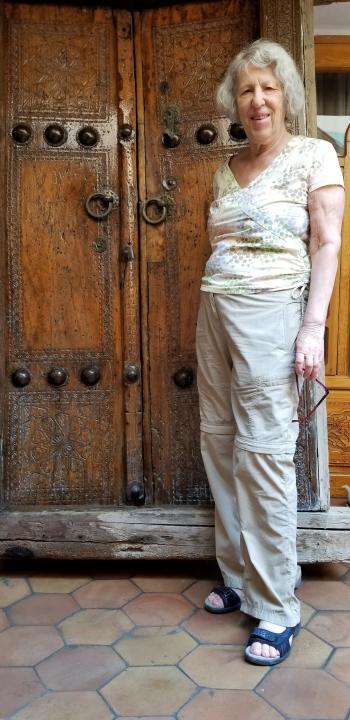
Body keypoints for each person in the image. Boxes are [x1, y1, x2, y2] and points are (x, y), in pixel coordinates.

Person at [196, 38, 344, 666]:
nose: (257, 101)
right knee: (220, 440)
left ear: (287, 95)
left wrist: (313, 328)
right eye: (247, 90)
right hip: (213, 311)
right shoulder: (226, 167)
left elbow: (326, 244)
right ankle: (239, 576)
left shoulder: (314, 154)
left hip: (272, 316)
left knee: (264, 454)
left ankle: (278, 604)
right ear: (235, 101)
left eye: (268, 88)